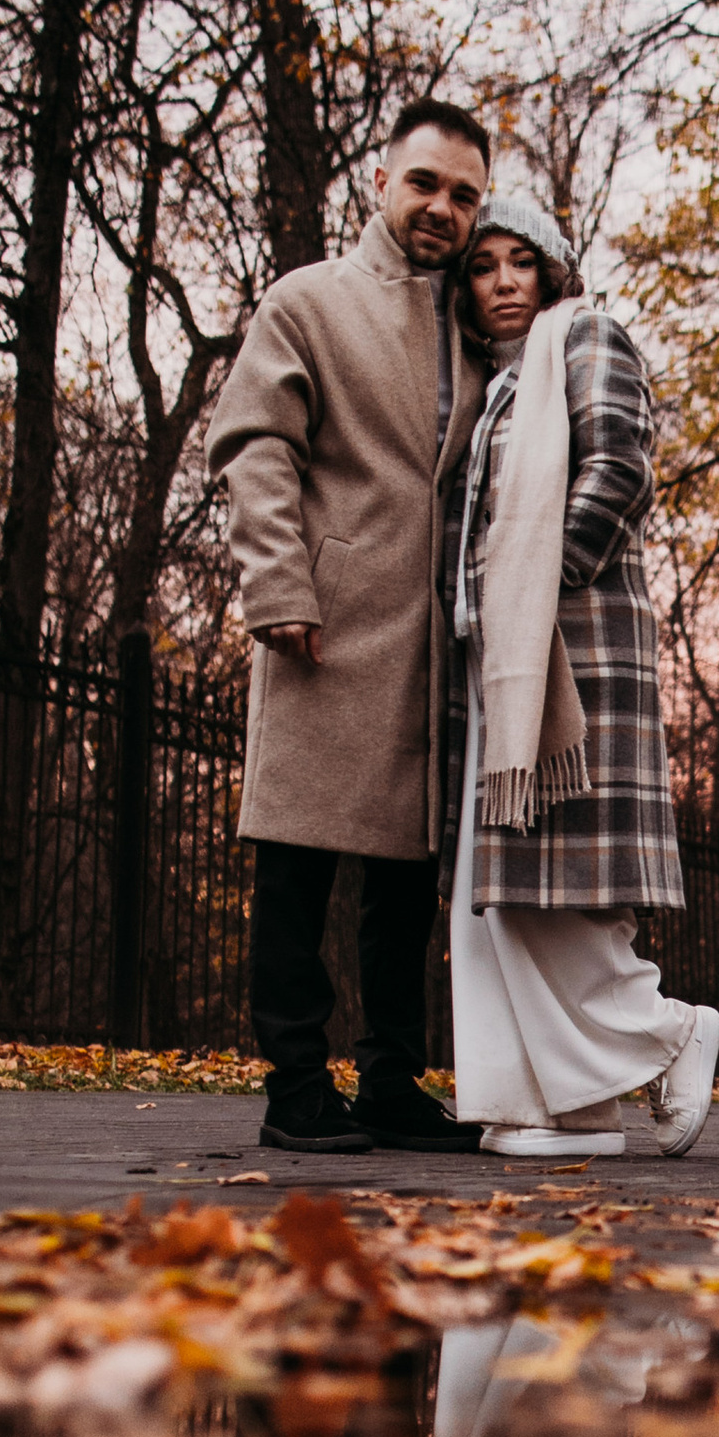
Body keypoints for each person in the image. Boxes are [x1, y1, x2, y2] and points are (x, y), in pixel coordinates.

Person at [207, 96, 495, 1153]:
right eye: (425, 183)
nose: (442, 208)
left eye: (465, 194)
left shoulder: (474, 332)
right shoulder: (310, 301)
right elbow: (252, 443)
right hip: (322, 628)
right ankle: (293, 1088)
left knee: (403, 890)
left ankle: (388, 1083)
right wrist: (278, 585)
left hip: (430, 655)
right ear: (381, 183)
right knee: (293, 869)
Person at [446, 191, 719, 1160]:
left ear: (553, 268)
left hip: (575, 644)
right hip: (503, 659)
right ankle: (564, 1105)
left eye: (519, 260)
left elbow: (620, 468)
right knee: (506, 886)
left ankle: (671, 1034)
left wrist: (537, 582)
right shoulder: (494, 387)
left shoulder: (588, 333)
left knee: (555, 880)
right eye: (482, 267)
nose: (502, 282)